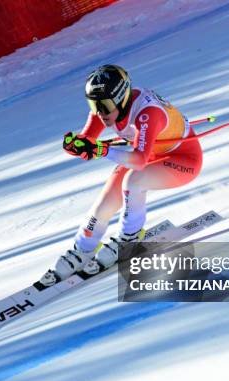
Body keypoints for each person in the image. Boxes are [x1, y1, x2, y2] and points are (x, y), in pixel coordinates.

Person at [39, 64, 203, 287]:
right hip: (148, 154)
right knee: (103, 206)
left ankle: (130, 238)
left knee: (133, 181)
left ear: (121, 98)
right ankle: (83, 248)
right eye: (93, 104)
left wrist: (102, 150)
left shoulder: (148, 113)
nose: (99, 112)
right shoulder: (105, 108)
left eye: (104, 106)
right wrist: (76, 146)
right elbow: (88, 143)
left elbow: (139, 160)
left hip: (181, 160)